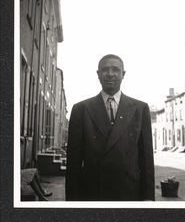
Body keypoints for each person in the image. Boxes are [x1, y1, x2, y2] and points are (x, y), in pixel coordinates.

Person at [66, 54, 155, 201]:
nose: (110, 74)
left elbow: (146, 160)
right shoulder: (81, 109)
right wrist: (71, 204)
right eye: (105, 70)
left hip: (129, 192)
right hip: (92, 192)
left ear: (123, 74)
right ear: (98, 74)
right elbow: (73, 163)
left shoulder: (140, 108)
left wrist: (148, 199)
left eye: (115, 69)